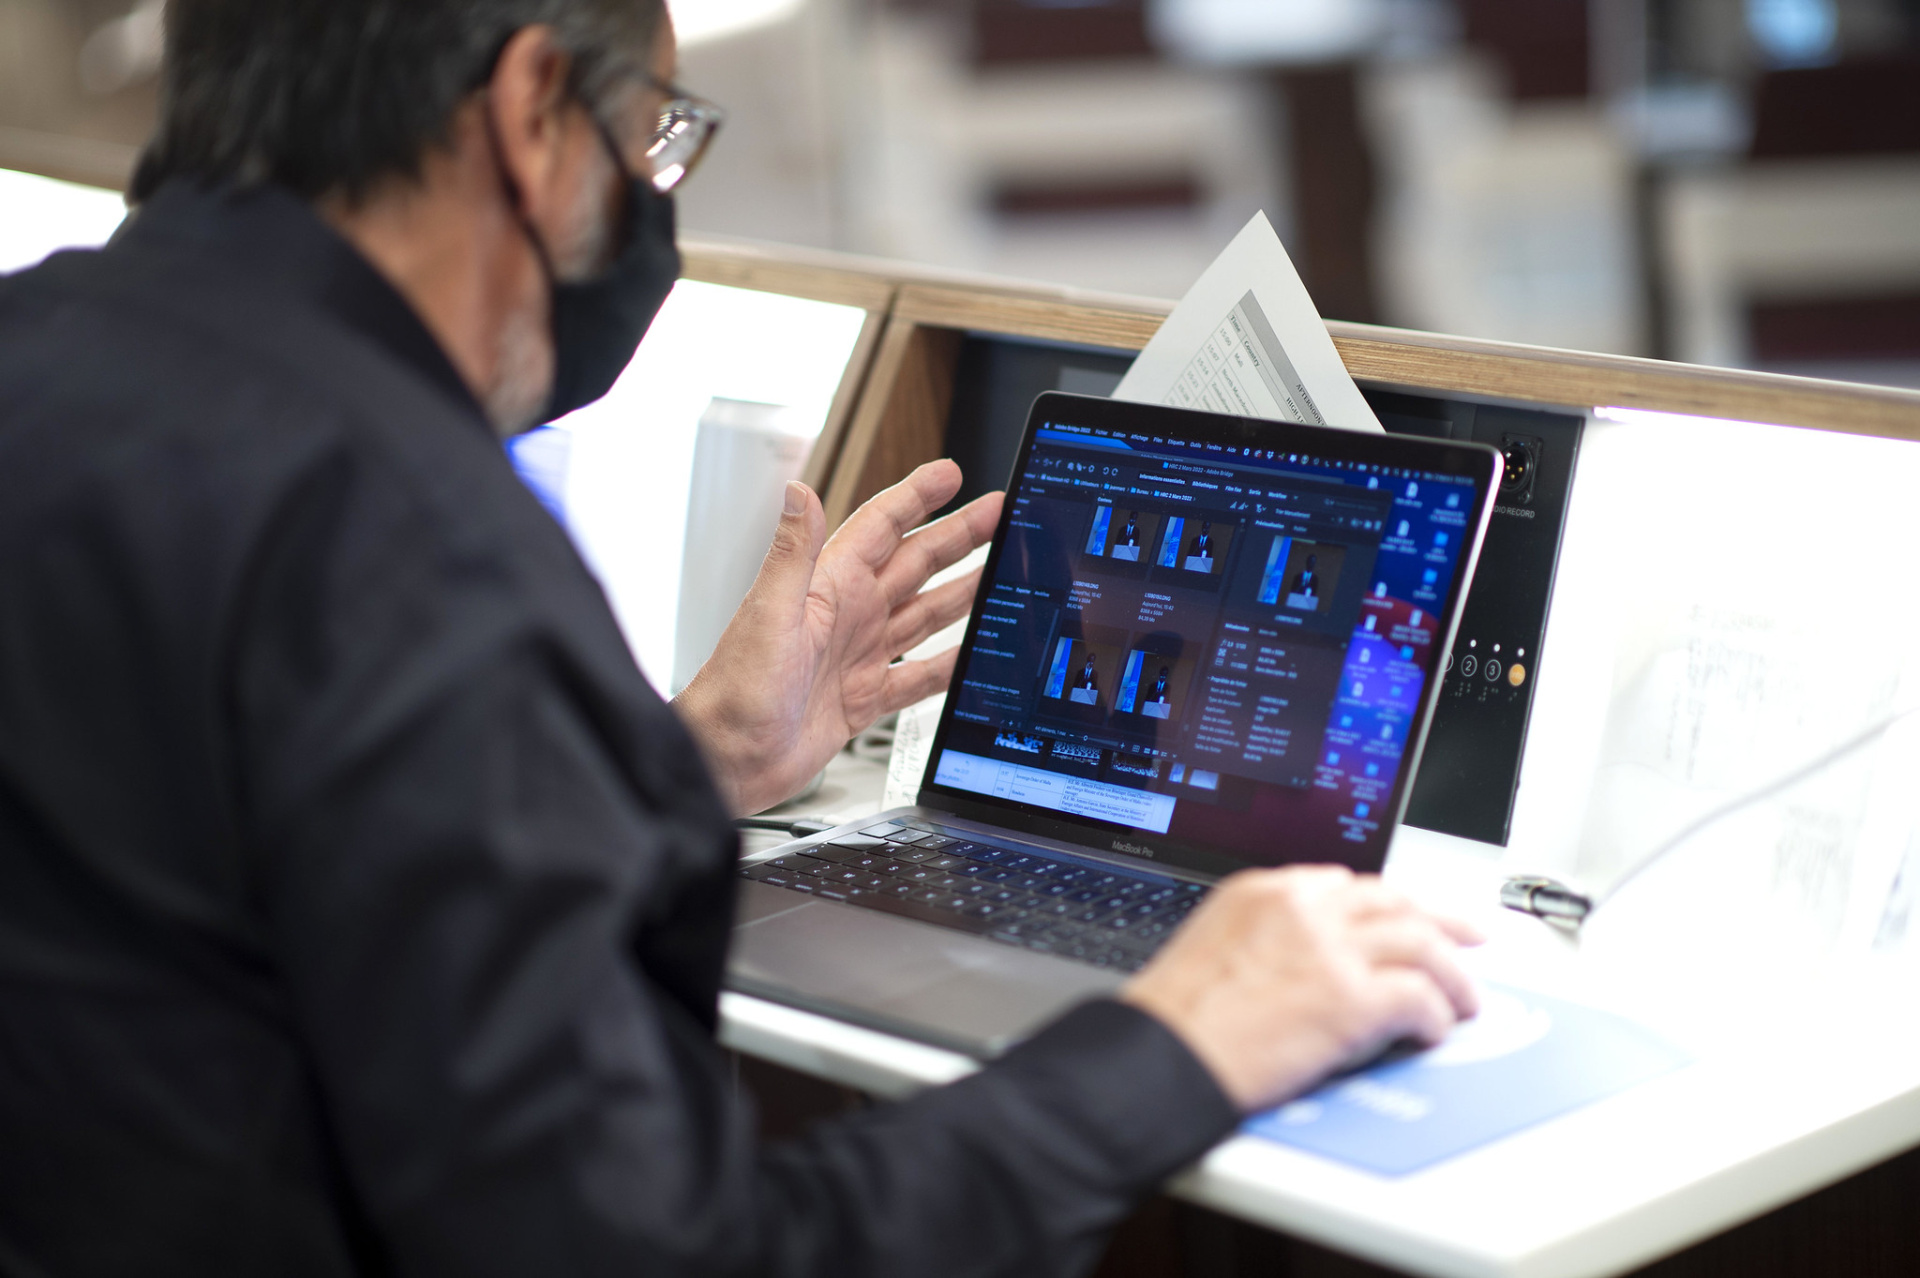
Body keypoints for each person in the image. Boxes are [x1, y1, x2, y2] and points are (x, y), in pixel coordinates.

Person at [0, 2, 1480, 1274]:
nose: (658, 198)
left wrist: (676, 764)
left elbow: (212, 849)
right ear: (530, 112)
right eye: (655, 140)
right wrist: (1180, 1040)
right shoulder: (407, 548)